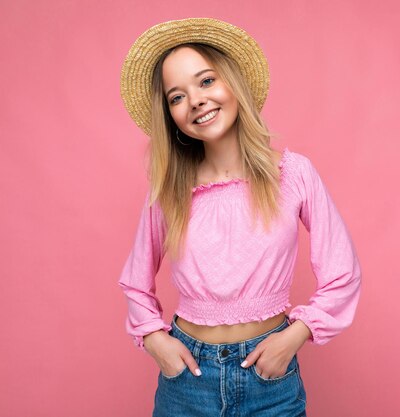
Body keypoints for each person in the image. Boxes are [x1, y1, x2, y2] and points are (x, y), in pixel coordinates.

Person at [117, 17, 362, 416]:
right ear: (171, 117)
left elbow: (343, 271)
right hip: (187, 383)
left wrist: (294, 337)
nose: (195, 100)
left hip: (270, 380)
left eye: (206, 81)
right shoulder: (169, 191)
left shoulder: (293, 174)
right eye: (176, 97)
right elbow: (135, 282)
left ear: (234, 83)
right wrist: (155, 340)